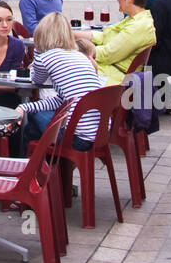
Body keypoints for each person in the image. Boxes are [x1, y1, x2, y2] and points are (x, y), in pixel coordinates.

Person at [12, 12, 104, 156]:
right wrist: (25, 106)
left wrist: (37, 52)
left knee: (34, 121)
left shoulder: (45, 58)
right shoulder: (81, 56)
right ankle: (48, 171)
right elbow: (62, 101)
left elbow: (37, 81)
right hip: (99, 134)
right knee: (35, 124)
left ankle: (25, 168)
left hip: (77, 138)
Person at [91, 0, 156, 84]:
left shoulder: (139, 26)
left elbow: (108, 54)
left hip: (111, 78)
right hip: (108, 70)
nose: (117, 0)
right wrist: (74, 35)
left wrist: (82, 50)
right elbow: (105, 36)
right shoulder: (134, 19)